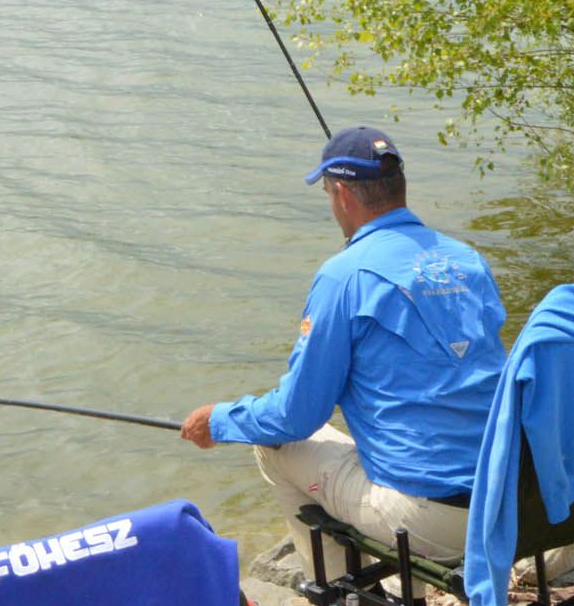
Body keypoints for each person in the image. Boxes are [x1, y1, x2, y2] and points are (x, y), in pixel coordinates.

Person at [181, 127, 508, 574]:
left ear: (342, 195)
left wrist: (218, 420)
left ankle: (349, 604)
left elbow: (296, 415)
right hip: (506, 495)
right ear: (400, 187)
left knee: (273, 447)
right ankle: (404, 600)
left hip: (433, 522)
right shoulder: (468, 259)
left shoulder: (343, 276)